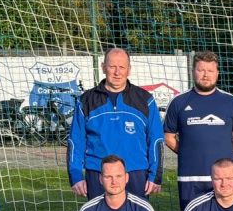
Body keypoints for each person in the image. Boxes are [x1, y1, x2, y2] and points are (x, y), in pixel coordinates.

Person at [68, 48, 165, 200]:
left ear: (129, 69)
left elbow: (156, 140)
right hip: (99, 174)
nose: (117, 72)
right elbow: (76, 140)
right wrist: (76, 175)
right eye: (112, 66)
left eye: (122, 67)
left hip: (136, 173)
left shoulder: (144, 100)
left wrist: (155, 175)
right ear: (103, 67)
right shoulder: (86, 100)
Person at [164, 51, 233, 211]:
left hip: (223, 178)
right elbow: (168, 136)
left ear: (217, 73)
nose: (206, 75)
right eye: (201, 70)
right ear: (193, 71)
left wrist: (226, 152)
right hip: (190, 177)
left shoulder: (231, 102)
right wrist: (187, 152)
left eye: (210, 71)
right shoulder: (178, 102)